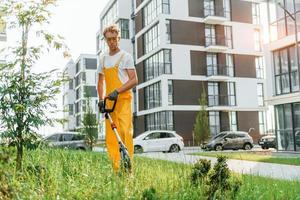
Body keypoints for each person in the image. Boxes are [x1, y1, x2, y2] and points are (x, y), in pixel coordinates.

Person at [97, 24, 138, 172]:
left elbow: (134, 80)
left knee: (126, 133)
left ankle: (128, 168)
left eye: (114, 39)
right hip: (109, 103)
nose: (112, 42)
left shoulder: (126, 57)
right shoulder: (102, 59)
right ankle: (116, 170)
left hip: (124, 100)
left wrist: (117, 91)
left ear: (118, 38)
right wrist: (101, 100)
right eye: (109, 40)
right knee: (111, 138)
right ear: (105, 40)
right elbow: (100, 82)